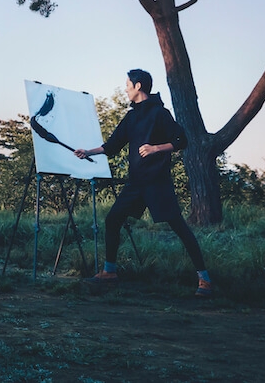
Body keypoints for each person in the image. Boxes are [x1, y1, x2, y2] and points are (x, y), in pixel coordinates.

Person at [73, 69, 214, 298]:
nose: (126, 88)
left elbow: (181, 140)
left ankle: (205, 280)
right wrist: (87, 151)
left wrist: (155, 148)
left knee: (179, 227)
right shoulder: (131, 117)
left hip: (158, 183)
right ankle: (109, 273)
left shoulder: (159, 113)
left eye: (128, 84)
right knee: (113, 219)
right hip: (136, 184)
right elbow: (113, 145)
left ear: (138, 86)